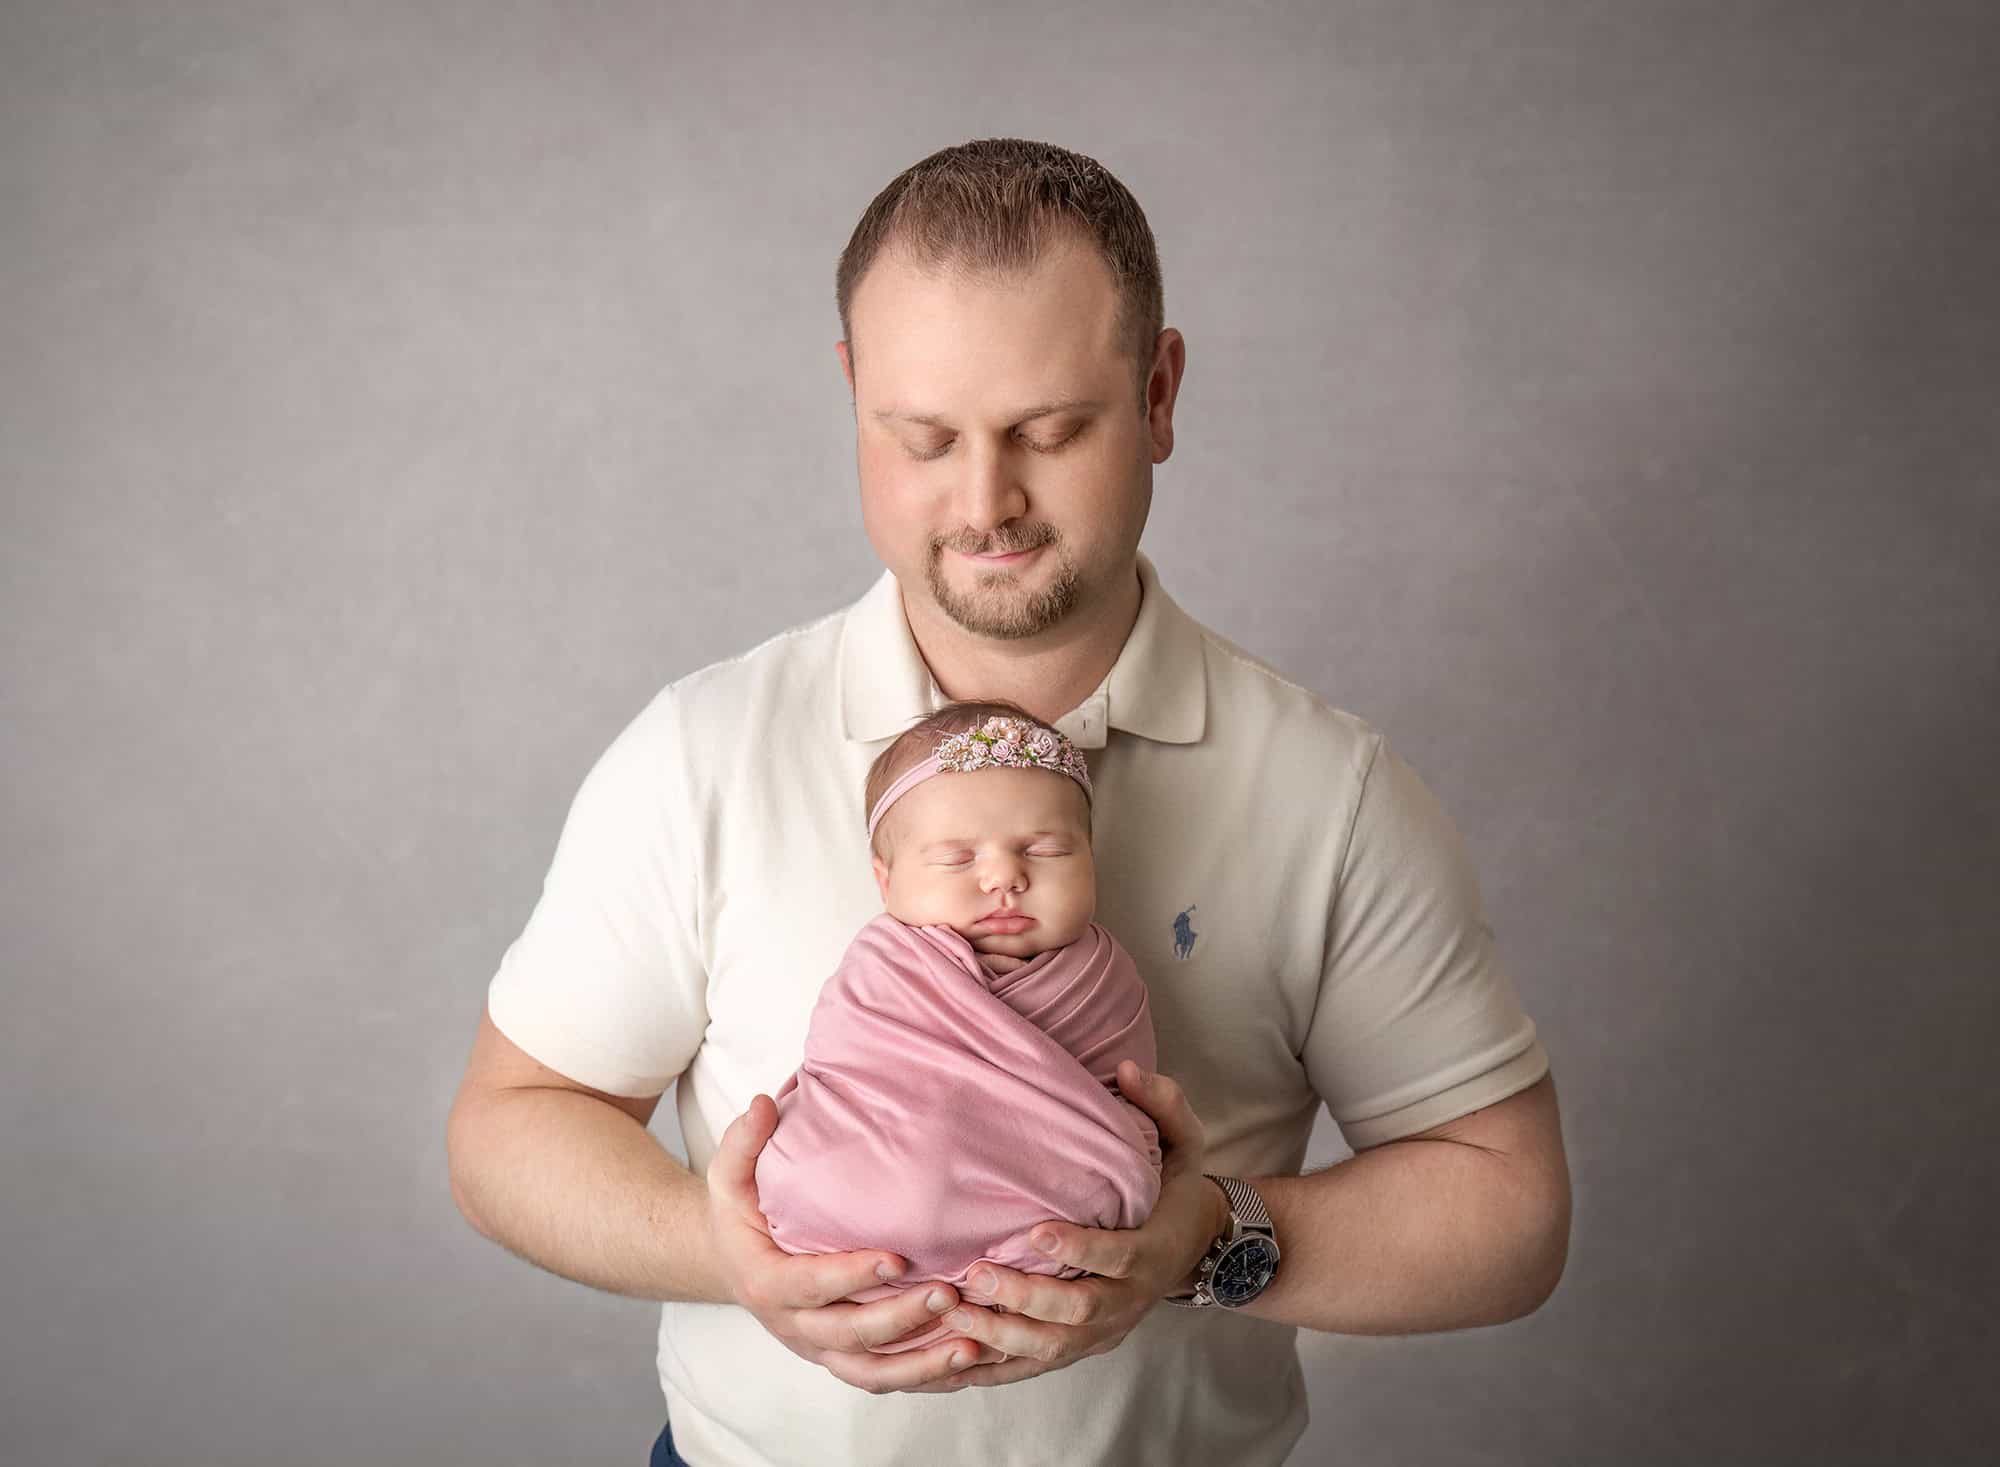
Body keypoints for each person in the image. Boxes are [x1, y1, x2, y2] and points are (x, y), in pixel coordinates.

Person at [447, 137, 1571, 1467]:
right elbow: (511, 1124)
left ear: (1157, 395)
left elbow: (1510, 1213)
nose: (985, 504)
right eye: (922, 437)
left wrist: (1203, 1242)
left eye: (1049, 431)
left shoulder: (1330, 792)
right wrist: (735, 1250)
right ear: (852, 395)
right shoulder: (702, 750)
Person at [754, 700, 1164, 1357]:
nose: (1004, 877)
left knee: (1109, 1179)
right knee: (817, 1172)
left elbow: (1127, 1104)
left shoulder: (1101, 975)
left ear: (1092, 858)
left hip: (1054, 1219)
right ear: (886, 882)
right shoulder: (883, 968)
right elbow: (843, 1078)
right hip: (872, 1187)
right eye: (956, 858)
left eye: (1046, 849)